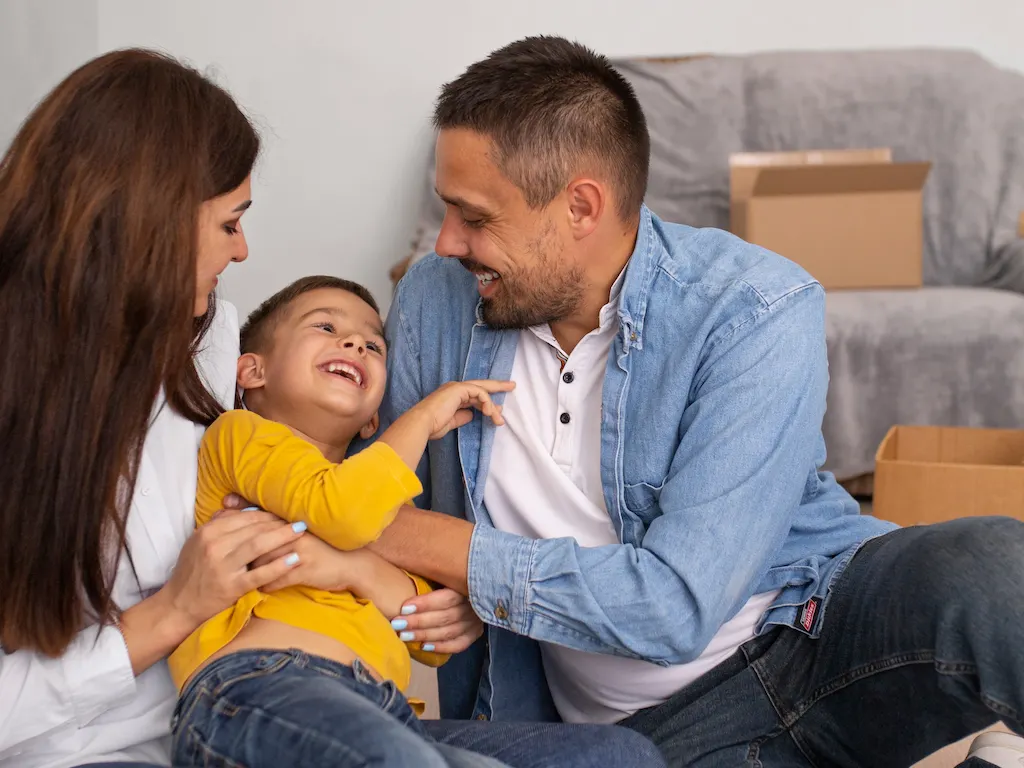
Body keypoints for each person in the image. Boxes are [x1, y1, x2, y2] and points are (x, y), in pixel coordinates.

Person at [363, 35, 1024, 768]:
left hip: (814, 632)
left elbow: (674, 607)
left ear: (582, 205)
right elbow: (377, 492)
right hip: (651, 736)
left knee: (996, 568)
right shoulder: (436, 300)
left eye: (476, 217)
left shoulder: (752, 307)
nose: (448, 241)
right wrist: (422, 579)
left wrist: (414, 541)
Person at [0, 50, 664, 768]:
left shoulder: (209, 343)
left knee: (616, 759)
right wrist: (171, 614)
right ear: (146, 222)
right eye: (229, 223)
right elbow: (326, 505)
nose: (245, 250)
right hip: (175, 719)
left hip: (339, 704)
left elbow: (325, 508)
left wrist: (410, 584)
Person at [169, 274, 663, 767]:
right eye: (325, 326)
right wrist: (423, 419)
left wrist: (350, 569)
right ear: (252, 373)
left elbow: (431, 638)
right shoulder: (242, 436)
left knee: (620, 755)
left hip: (381, 708)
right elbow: (340, 511)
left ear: (370, 423)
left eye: (373, 345)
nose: (355, 344)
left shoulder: (378, 495)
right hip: (255, 687)